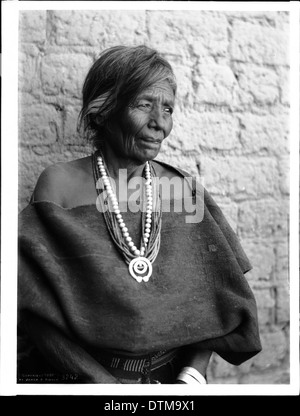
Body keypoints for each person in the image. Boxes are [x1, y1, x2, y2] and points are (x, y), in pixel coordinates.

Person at [17, 45, 262, 384]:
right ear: (102, 110)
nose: (159, 123)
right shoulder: (58, 185)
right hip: (86, 379)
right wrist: (106, 388)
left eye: (168, 109)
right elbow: (33, 308)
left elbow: (217, 297)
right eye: (143, 104)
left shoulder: (181, 190)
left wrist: (191, 377)